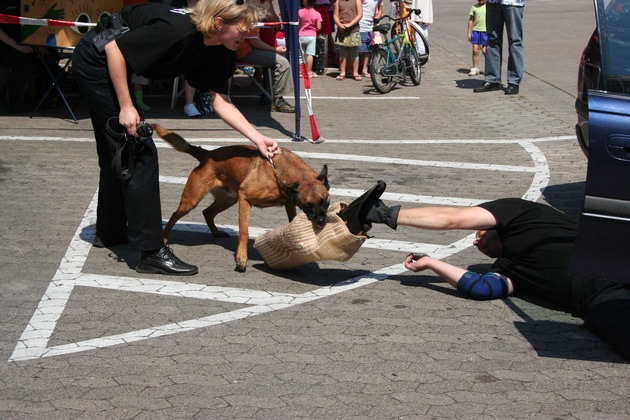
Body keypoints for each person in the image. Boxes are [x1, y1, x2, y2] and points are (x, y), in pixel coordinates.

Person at [72, 0, 281, 276]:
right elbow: (114, 48)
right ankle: (149, 252)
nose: (247, 36)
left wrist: (257, 138)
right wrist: (126, 105)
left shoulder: (221, 47)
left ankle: (109, 232)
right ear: (219, 23)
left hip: (114, 60)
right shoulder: (177, 30)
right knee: (140, 150)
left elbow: (221, 102)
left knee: (118, 151)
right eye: (243, 30)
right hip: (97, 60)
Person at [365, 197, 630, 360]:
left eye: (480, 233)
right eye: (476, 242)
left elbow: (453, 219)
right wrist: (432, 263)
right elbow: (479, 287)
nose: (475, 239)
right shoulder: (509, 270)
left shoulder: (522, 213)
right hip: (605, 298)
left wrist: (386, 215)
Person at [235, 26, 296, 113]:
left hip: (240, 50)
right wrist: (274, 50)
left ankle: (268, 95)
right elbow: (254, 41)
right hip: (245, 51)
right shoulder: (249, 15)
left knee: (271, 62)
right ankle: (278, 102)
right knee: (282, 62)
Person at [473, 0, 525, 95]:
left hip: (512, 3)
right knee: (492, 40)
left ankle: (514, 81)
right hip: (493, 2)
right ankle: (492, 79)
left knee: (515, 41)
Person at [333, 0, 363, 81]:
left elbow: (359, 15)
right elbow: (335, 15)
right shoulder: (338, 1)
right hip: (342, 31)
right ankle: (343, 72)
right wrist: (339, 25)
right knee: (342, 54)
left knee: (354, 54)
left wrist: (350, 24)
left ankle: (355, 72)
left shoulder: (357, 1)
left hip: (353, 30)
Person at [357, 0, 383, 78]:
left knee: (368, 50)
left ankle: (364, 70)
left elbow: (380, 9)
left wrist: (377, 17)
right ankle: (357, 69)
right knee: (359, 50)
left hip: (371, 26)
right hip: (361, 25)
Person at [299, 0, 323, 79]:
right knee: (310, 54)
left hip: (301, 35)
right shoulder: (317, 14)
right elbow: (319, 27)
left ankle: (300, 71)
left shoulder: (300, 12)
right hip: (311, 36)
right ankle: (308, 71)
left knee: (301, 54)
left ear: (305, 2)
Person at [467, 0, 487, 76]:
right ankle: (475, 68)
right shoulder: (474, 7)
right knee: (475, 50)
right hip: (476, 31)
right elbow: (471, 20)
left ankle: (489, 68)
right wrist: (469, 32)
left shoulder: (489, 7)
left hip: (486, 31)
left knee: (485, 51)